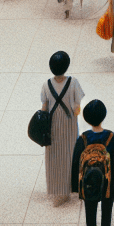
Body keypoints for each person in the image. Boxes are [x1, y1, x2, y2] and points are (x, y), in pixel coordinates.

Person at [41, 50, 84, 206]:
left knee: (53, 158)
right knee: (70, 155)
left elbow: (44, 107)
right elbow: (77, 108)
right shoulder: (73, 83)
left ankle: (57, 190)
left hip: (52, 126)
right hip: (69, 124)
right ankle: (69, 188)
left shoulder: (46, 85)